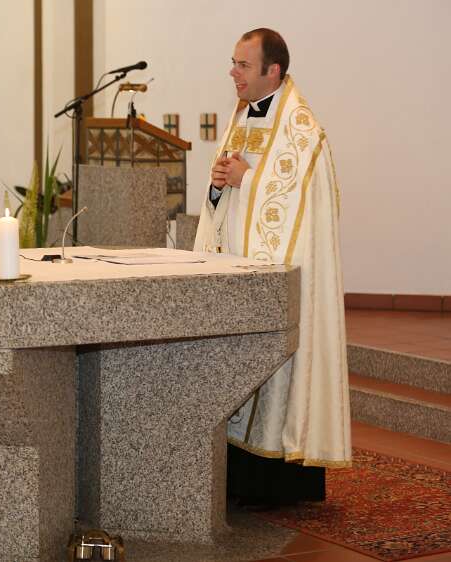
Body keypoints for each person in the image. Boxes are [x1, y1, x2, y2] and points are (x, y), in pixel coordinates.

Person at [193, 28, 349, 505]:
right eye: (234, 62)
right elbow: (226, 196)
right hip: (239, 270)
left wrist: (248, 178)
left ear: (272, 70)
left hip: (281, 275)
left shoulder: (302, 129)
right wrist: (218, 186)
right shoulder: (241, 116)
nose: (233, 72)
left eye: (243, 65)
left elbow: (301, 202)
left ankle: (279, 482)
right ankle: (239, 477)